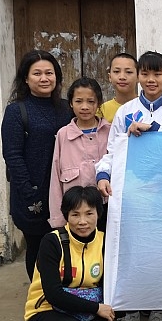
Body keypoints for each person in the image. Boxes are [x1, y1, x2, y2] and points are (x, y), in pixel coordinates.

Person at [96, 51, 162, 321]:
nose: (151, 80)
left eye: (157, 74)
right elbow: (112, 152)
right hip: (133, 197)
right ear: (139, 76)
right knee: (132, 254)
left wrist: (152, 132)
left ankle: (157, 312)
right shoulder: (125, 112)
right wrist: (103, 175)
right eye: (146, 74)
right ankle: (131, 315)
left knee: (160, 254)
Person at [24, 186, 115, 321]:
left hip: (86, 308)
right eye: (75, 214)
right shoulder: (51, 242)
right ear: (66, 216)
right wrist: (96, 308)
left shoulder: (105, 242)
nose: (82, 221)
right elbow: (53, 294)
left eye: (89, 213)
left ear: (98, 214)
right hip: (46, 308)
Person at [1, 50, 72, 280]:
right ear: (26, 78)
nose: (44, 78)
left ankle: (60, 291)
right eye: (37, 73)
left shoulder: (66, 108)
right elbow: (12, 155)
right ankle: (39, 294)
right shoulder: (16, 111)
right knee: (38, 247)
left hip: (64, 190)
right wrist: (29, 192)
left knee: (63, 246)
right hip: (33, 195)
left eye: (49, 73)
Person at [48, 77, 111, 229]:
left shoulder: (110, 131)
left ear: (99, 103)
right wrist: (58, 220)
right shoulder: (63, 135)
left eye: (90, 101)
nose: (85, 107)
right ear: (70, 103)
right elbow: (55, 177)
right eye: (78, 101)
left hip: (107, 210)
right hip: (75, 213)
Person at [98, 52, 138, 122]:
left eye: (128, 72)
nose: (122, 77)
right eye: (116, 71)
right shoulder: (102, 111)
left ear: (138, 77)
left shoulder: (146, 107)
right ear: (110, 77)